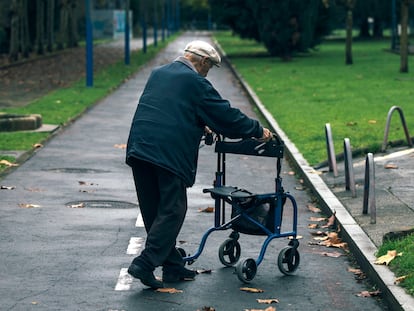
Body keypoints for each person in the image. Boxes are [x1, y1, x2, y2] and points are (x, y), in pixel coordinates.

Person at [126, 40, 273, 289]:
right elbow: (226, 116)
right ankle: (145, 263)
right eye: (209, 67)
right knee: (173, 210)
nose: (208, 73)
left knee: (154, 210)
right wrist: (257, 130)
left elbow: (170, 108)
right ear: (203, 61)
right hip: (167, 153)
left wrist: (198, 121)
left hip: (140, 148)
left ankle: (172, 266)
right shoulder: (196, 82)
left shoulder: (159, 73)